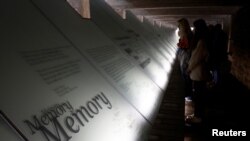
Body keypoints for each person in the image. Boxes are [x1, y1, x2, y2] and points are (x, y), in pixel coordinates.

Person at [186, 19, 210, 123]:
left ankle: (198, 117)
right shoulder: (204, 40)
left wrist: (189, 68)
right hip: (200, 73)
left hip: (198, 73)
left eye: (196, 28)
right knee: (200, 95)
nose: (194, 30)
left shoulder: (201, 42)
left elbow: (195, 58)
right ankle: (198, 115)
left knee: (199, 96)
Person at [176, 18, 193, 97]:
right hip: (185, 56)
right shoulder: (188, 33)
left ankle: (188, 94)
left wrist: (180, 45)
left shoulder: (185, 34)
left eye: (179, 25)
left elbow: (186, 46)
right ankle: (188, 94)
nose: (178, 26)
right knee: (186, 76)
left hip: (185, 57)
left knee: (186, 76)